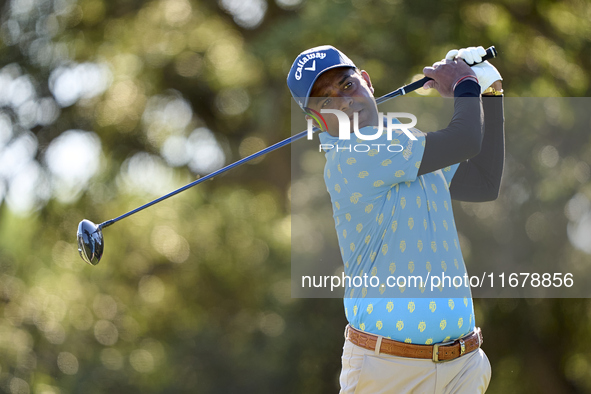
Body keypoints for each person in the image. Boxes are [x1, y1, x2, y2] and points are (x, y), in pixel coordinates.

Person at [287, 45, 504, 393]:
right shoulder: (351, 157)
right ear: (315, 121)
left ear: (367, 82)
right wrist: (464, 82)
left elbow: (484, 183)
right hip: (387, 373)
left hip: (461, 367)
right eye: (326, 102)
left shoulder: (405, 142)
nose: (344, 103)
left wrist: (489, 93)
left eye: (346, 86)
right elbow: (465, 140)